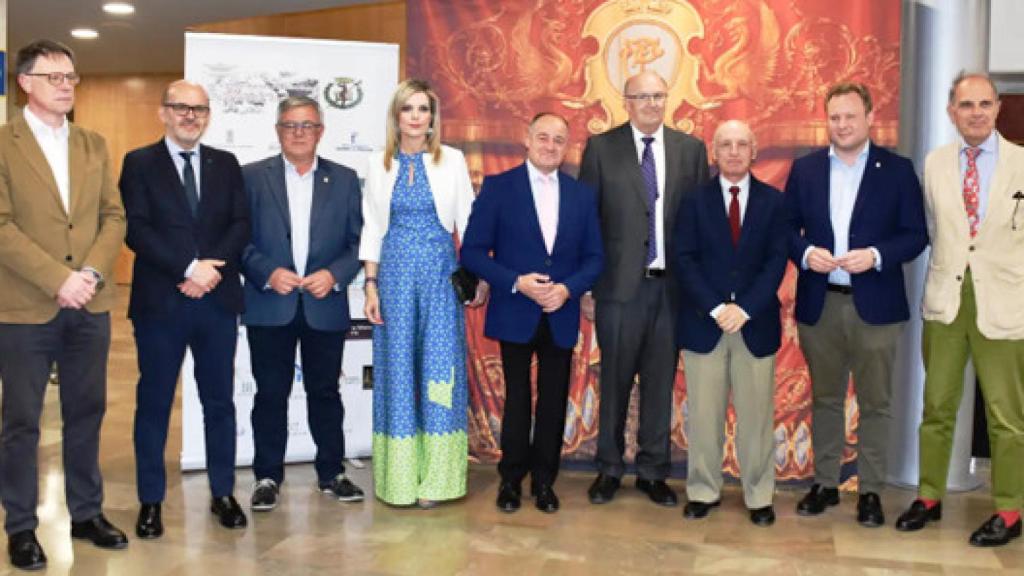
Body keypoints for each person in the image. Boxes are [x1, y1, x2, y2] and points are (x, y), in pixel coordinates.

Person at [0, 39, 128, 570]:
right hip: (25, 308)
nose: (66, 85)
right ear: (25, 82)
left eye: (71, 77)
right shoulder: (3, 144)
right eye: (54, 76)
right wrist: (58, 278)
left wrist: (91, 274)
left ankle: (86, 513)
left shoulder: (93, 144)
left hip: (89, 306)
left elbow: (112, 216)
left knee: (86, 413)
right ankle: (22, 526)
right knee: (23, 421)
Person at [785, 82, 927, 527]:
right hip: (819, 304)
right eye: (834, 117)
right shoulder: (805, 170)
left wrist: (877, 256)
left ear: (869, 117)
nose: (842, 124)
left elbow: (915, 235)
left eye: (850, 116)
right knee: (825, 399)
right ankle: (825, 484)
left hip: (877, 307)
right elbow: (786, 229)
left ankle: (870, 491)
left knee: (875, 403)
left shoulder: (898, 170)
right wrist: (807, 255)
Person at [895, 72, 1024, 547]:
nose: (976, 112)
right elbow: (935, 229)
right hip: (946, 303)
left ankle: (1010, 510)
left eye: (984, 104)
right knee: (937, 407)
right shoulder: (935, 164)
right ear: (952, 111)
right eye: (966, 105)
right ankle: (928, 497)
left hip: (1004, 305)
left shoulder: (1021, 163)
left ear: (997, 109)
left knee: (1007, 417)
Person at [120, 80, 251, 537]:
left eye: (198, 109)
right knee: (153, 402)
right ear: (164, 113)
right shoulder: (138, 163)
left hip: (217, 301)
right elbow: (135, 229)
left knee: (219, 401)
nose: (189, 116)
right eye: (180, 107)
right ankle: (150, 500)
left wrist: (210, 271)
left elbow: (240, 224)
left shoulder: (226, 163)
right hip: (161, 304)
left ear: (208, 115)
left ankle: (222, 492)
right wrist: (188, 267)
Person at [578, 70, 709, 506]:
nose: (652, 103)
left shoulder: (690, 150)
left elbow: (700, 224)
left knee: (659, 383)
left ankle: (654, 472)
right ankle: (609, 469)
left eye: (659, 95)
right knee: (613, 382)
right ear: (626, 101)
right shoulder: (601, 148)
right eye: (643, 96)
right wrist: (589, 288)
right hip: (618, 289)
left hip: (671, 291)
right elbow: (587, 223)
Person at [462, 112, 604, 514]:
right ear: (527, 139)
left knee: (554, 400)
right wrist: (515, 281)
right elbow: (472, 251)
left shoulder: (581, 195)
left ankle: (545, 482)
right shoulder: (499, 187)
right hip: (514, 308)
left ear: (567, 146)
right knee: (518, 399)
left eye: (559, 140)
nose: (550, 146)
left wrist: (568, 289)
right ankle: (510, 481)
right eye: (543, 137)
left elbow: (595, 257)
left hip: (560, 311)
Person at [359, 78, 485, 508]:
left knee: (438, 374)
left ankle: (437, 480)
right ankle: (398, 479)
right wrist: (370, 285)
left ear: (433, 118)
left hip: (438, 276)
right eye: (408, 109)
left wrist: (478, 277)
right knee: (397, 373)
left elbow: (468, 223)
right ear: (396, 116)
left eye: (424, 109)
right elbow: (373, 228)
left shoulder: (451, 160)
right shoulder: (379, 163)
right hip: (392, 278)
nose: (416, 117)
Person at [241, 96, 365, 512]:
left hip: (323, 305)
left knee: (325, 392)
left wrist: (335, 275)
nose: (299, 132)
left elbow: (357, 243)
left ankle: (332, 473)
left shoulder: (346, 179)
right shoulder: (251, 177)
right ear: (278, 131)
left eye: (307, 125)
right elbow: (236, 240)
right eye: (291, 125)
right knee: (270, 394)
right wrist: (265, 272)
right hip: (269, 304)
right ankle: (266, 476)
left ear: (321, 131)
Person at [675, 120, 787, 526]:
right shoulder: (693, 201)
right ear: (715, 152)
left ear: (754, 150)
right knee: (704, 416)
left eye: (742, 144)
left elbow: (777, 261)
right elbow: (684, 259)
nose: (735, 152)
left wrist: (746, 308)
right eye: (726, 145)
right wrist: (716, 308)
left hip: (754, 325)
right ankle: (703, 490)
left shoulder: (775, 202)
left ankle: (759, 496)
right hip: (705, 325)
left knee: (756, 418)